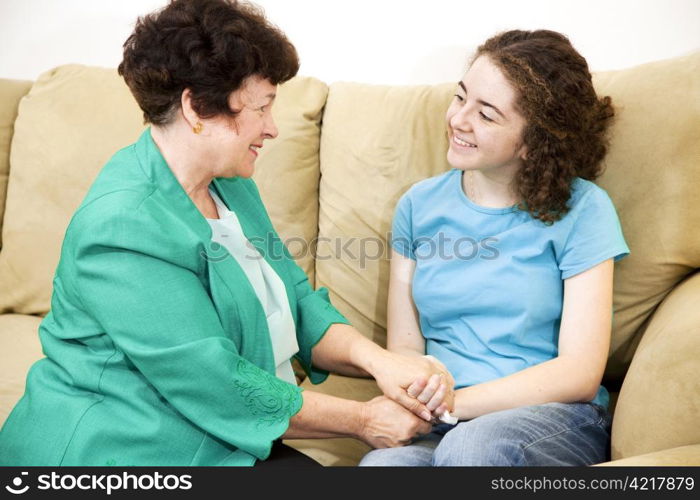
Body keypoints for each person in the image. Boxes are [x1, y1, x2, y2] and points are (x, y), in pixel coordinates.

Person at [0, 0, 453, 466]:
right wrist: (362, 419)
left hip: (226, 433)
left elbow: (296, 301)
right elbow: (214, 382)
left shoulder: (231, 185)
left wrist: (379, 361)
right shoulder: (122, 229)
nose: (272, 128)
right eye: (261, 108)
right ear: (196, 106)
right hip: (130, 449)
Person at [360, 29, 629, 466]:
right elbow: (406, 350)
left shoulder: (585, 210)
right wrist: (420, 398)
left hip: (550, 418)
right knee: (382, 467)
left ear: (533, 141)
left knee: (473, 448)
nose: (458, 120)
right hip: (441, 423)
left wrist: (454, 405)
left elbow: (578, 374)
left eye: (486, 114)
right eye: (460, 97)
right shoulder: (418, 206)